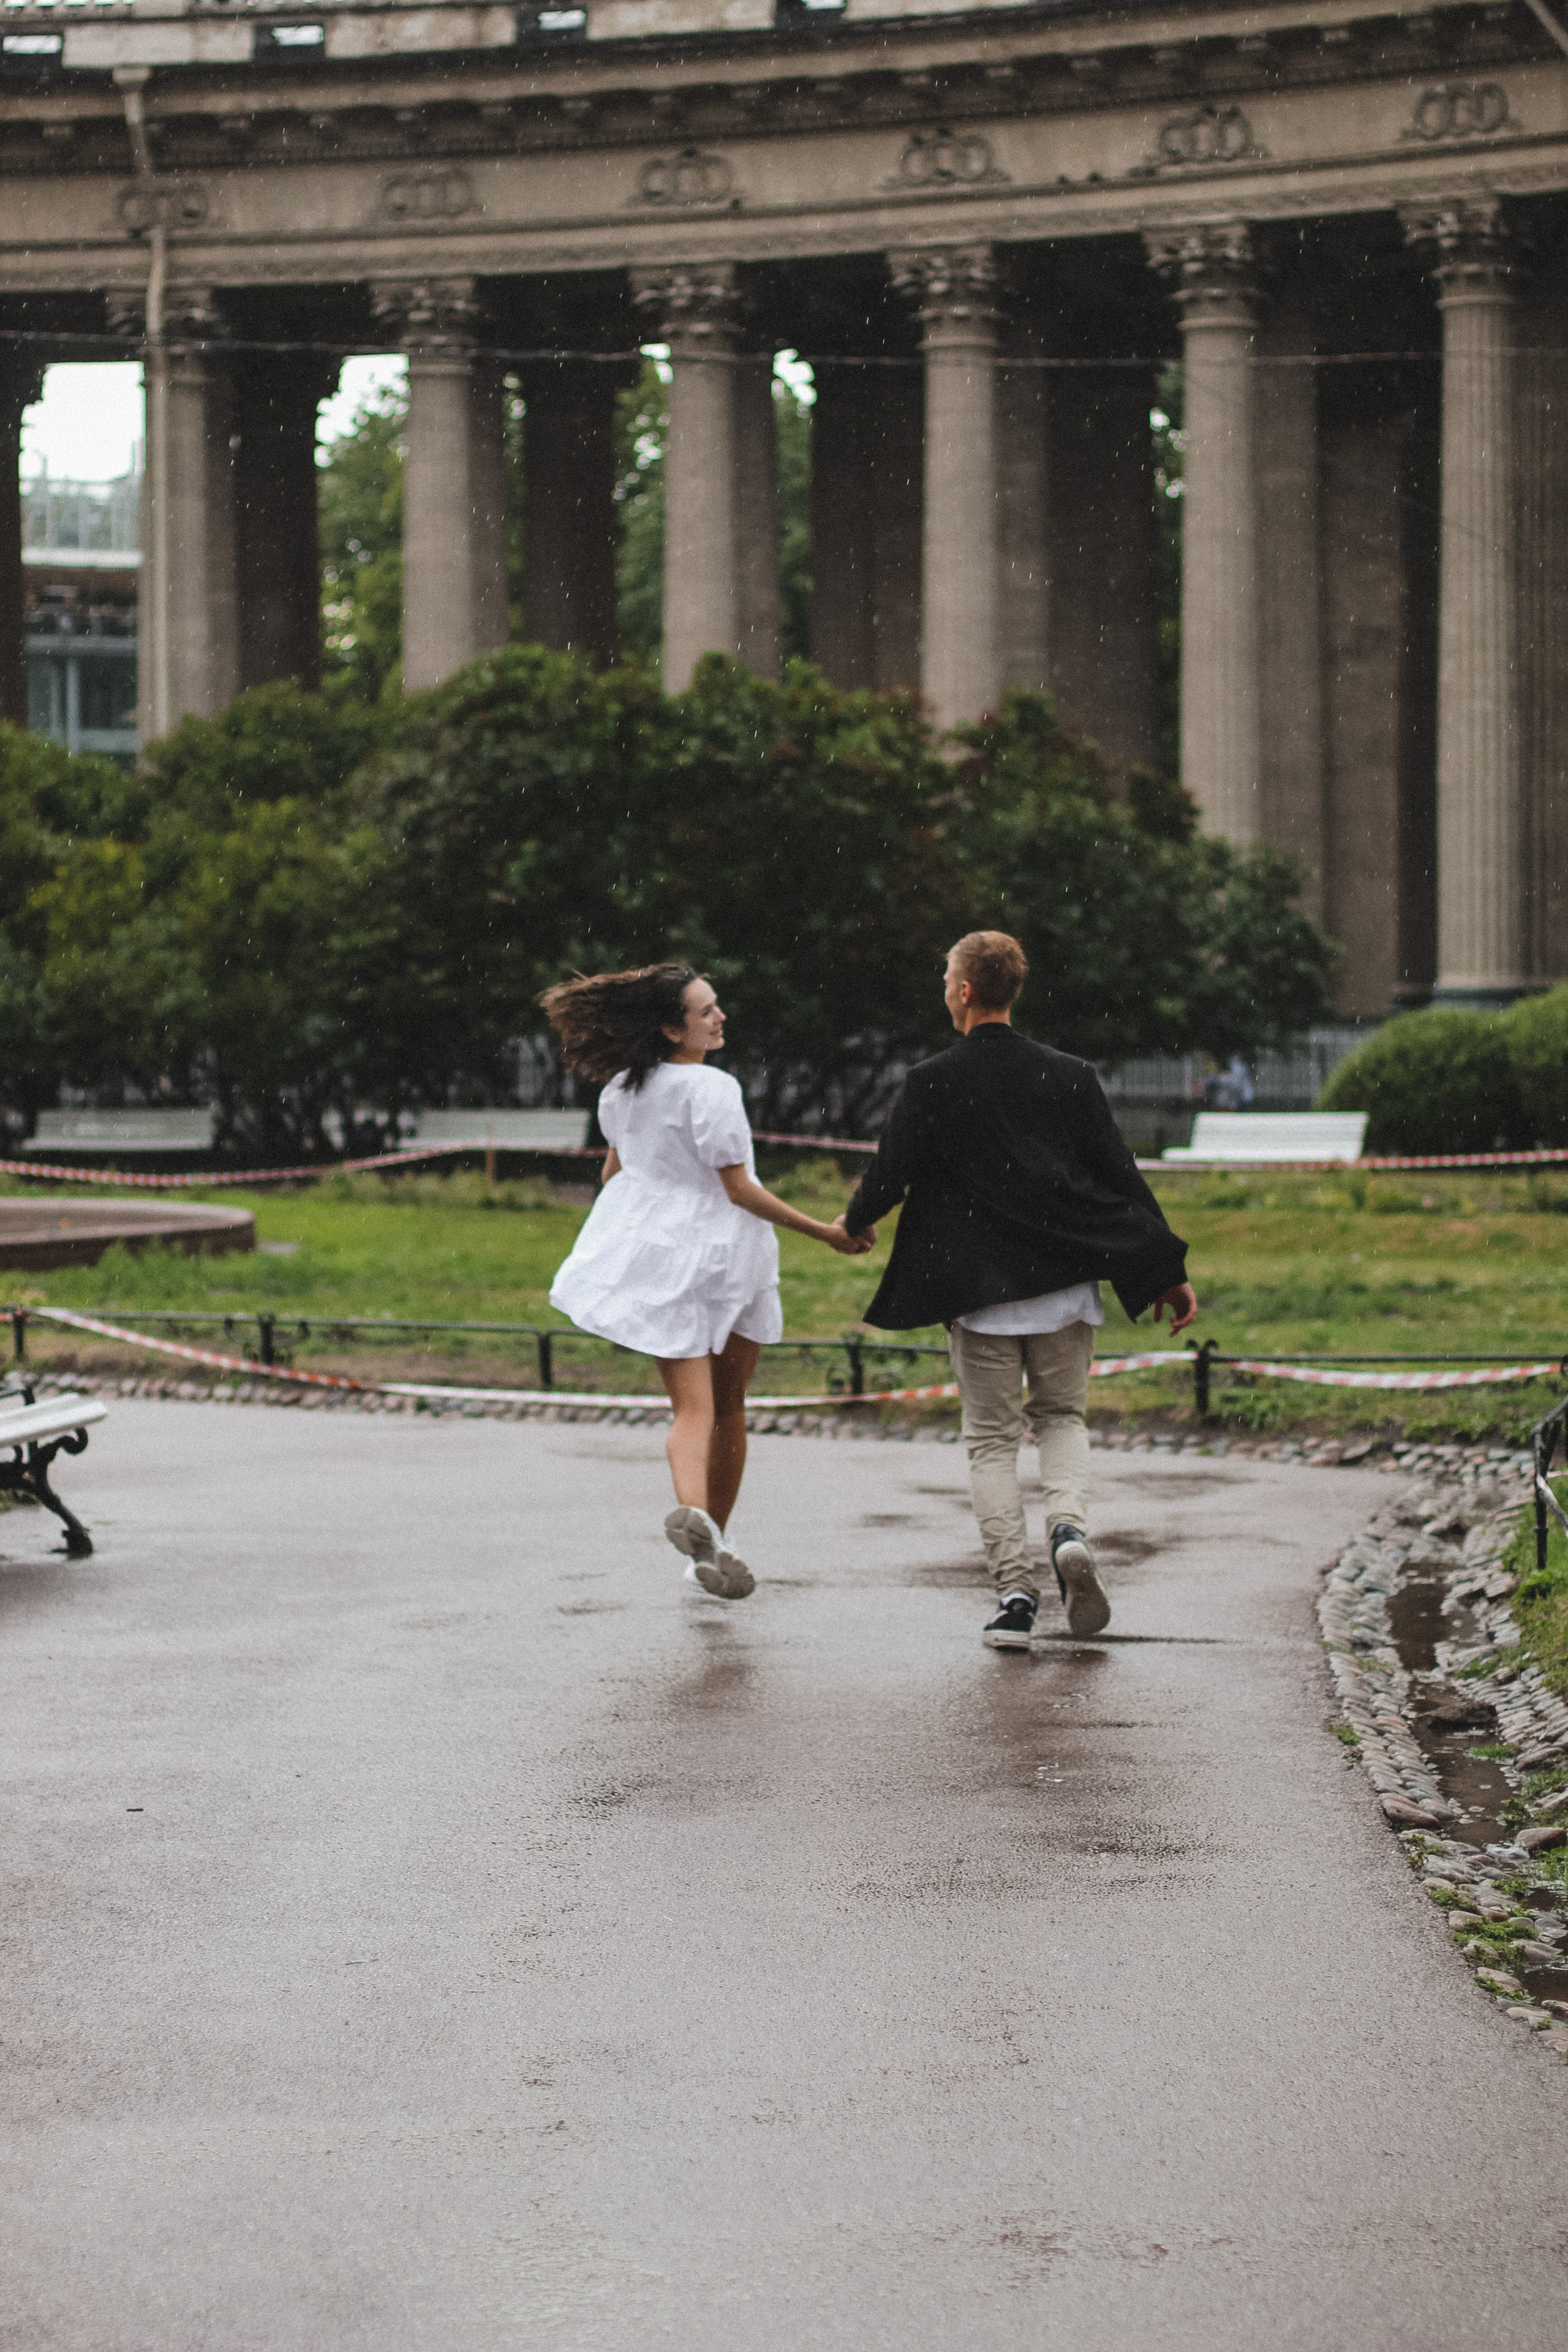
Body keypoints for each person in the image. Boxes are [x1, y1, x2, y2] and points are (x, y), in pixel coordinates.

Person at [835, 931, 1198, 1651]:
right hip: (1065, 1287)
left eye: (947, 978)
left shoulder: (930, 1081)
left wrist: (853, 1224)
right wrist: (1163, 1269)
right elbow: (1118, 1175)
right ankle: (1068, 1529)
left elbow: (891, 1172)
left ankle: (1014, 1595)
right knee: (1062, 1418)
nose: (944, 989)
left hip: (979, 1295)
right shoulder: (1068, 1075)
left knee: (992, 1443)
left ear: (967, 991)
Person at [543, 962, 871, 1600]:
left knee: (690, 1411)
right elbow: (739, 1189)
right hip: (728, 1259)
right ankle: (711, 1534)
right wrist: (826, 1233)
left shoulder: (620, 1090)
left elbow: (617, 1173)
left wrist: (629, 1245)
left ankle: (698, 1531)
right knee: (728, 1407)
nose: (720, 1017)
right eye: (705, 1011)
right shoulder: (713, 1089)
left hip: (666, 1259)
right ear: (672, 1028)